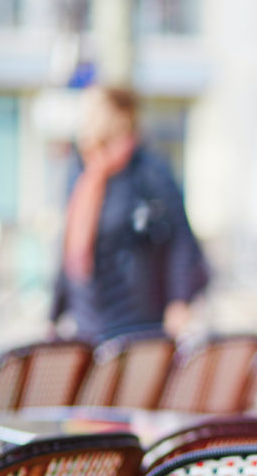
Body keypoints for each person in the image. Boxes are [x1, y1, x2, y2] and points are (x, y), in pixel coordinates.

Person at [50, 85, 209, 341]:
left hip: (138, 317)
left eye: (93, 113)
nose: (85, 121)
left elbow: (181, 238)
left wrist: (179, 301)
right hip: (88, 318)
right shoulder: (80, 172)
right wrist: (55, 313)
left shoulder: (149, 171)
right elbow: (68, 245)